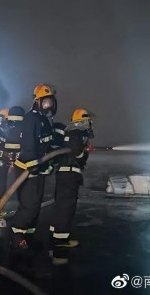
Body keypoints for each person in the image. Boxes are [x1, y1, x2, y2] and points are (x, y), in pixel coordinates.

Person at [10, 84, 57, 252]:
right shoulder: (32, 118)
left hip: (37, 168)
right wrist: (34, 167)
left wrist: (47, 164)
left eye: (51, 102)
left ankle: (28, 235)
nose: (49, 106)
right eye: (46, 102)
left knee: (35, 204)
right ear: (38, 102)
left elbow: (45, 145)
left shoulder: (44, 120)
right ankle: (17, 236)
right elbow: (29, 146)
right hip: (27, 169)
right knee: (29, 205)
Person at [49, 108, 94, 264]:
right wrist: (85, 152)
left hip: (65, 174)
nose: (90, 124)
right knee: (66, 207)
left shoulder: (70, 133)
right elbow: (77, 153)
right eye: (88, 121)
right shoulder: (76, 133)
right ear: (83, 121)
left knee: (60, 206)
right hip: (69, 175)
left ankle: (55, 234)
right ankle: (60, 241)